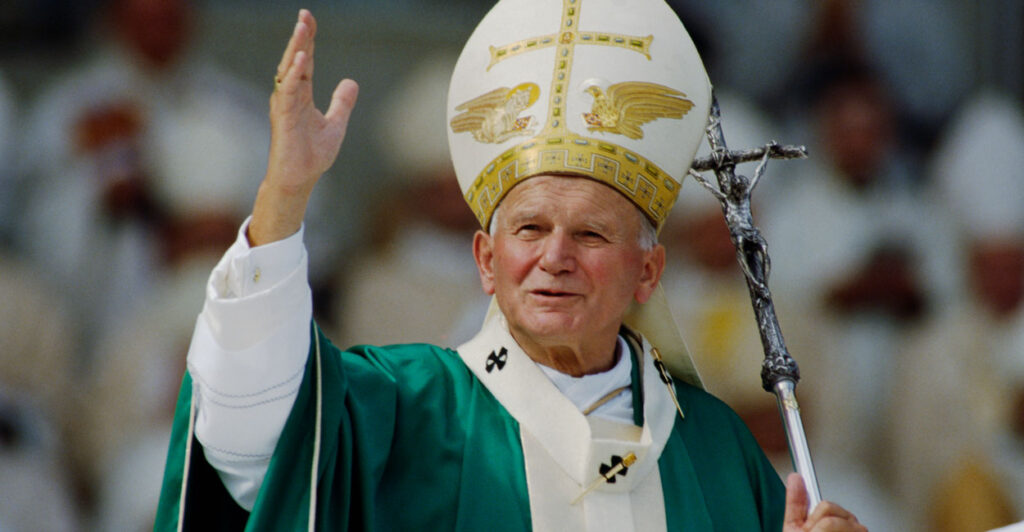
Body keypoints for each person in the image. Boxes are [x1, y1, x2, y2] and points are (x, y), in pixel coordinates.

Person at [155, 3, 866, 531]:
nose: (554, 257)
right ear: (486, 261)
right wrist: (283, 200)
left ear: (648, 273)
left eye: (590, 233)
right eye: (530, 229)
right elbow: (246, 444)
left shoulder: (713, 448)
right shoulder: (402, 409)